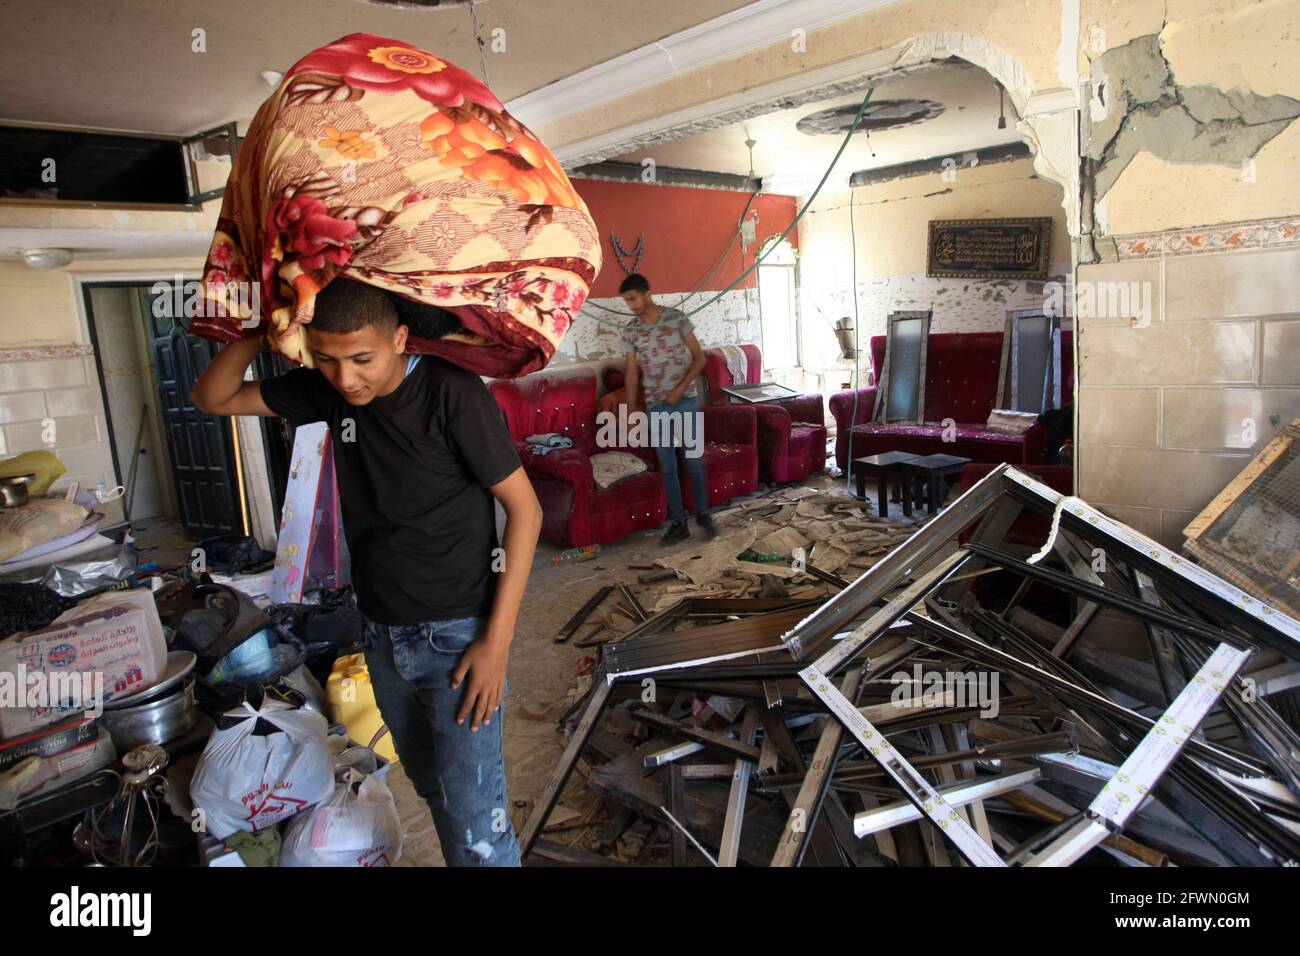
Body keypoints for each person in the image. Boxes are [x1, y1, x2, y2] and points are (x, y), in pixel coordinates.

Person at [189, 277, 542, 867]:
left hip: (457, 636)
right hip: (379, 631)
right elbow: (213, 397)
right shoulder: (327, 394)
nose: (346, 377)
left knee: (477, 821)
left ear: (400, 339)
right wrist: (259, 326)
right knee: (433, 790)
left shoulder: (452, 394)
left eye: (362, 358)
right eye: (325, 359)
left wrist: (497, 644)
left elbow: (525, 510)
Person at [619, 273, 715, 546]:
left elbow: (700, 358)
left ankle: (703, 513)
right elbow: (631, 374)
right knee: (668, 466)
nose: (632, 305)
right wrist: (629, 412)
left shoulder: (676, 319)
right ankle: (678, 522)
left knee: (693, 461)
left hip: (685, 400)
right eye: (627, 302)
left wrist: (679, 388)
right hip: (656, 404)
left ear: (647, 293)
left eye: (634, 299)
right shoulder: (631, 330)